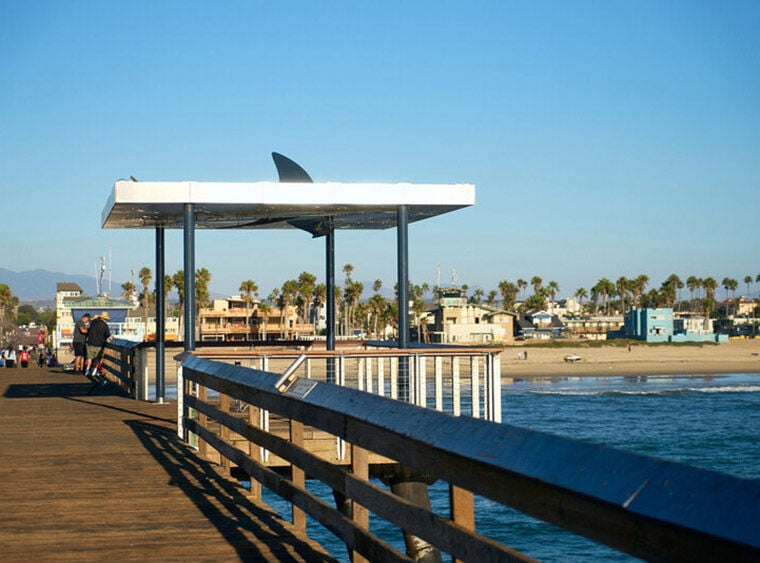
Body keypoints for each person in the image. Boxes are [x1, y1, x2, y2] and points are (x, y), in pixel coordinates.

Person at [85, 311, 112, 381]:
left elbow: (87, 330)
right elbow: (107, 336)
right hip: (99, 344)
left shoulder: (93, 323)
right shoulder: (105, 326)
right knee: (98, 358)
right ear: (105, 319)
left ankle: (87, 370)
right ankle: (94, 370)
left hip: (90, 342)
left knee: (89, 358)